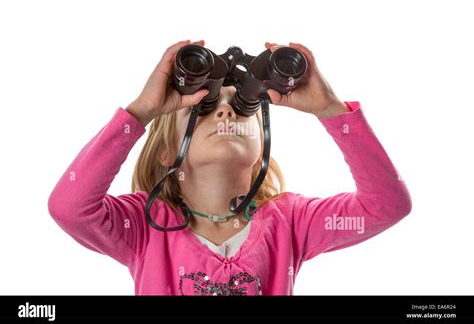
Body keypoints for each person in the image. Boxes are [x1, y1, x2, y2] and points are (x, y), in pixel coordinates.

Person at [48, 39, 411, 295]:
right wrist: (142, 110)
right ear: (165, 151)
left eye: (243, 108)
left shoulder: (290, 221)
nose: (225, 111)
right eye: (202, 108)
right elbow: (70, 208)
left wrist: (330, 108)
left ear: (261, 140)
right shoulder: (144, 225)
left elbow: (386, 205)